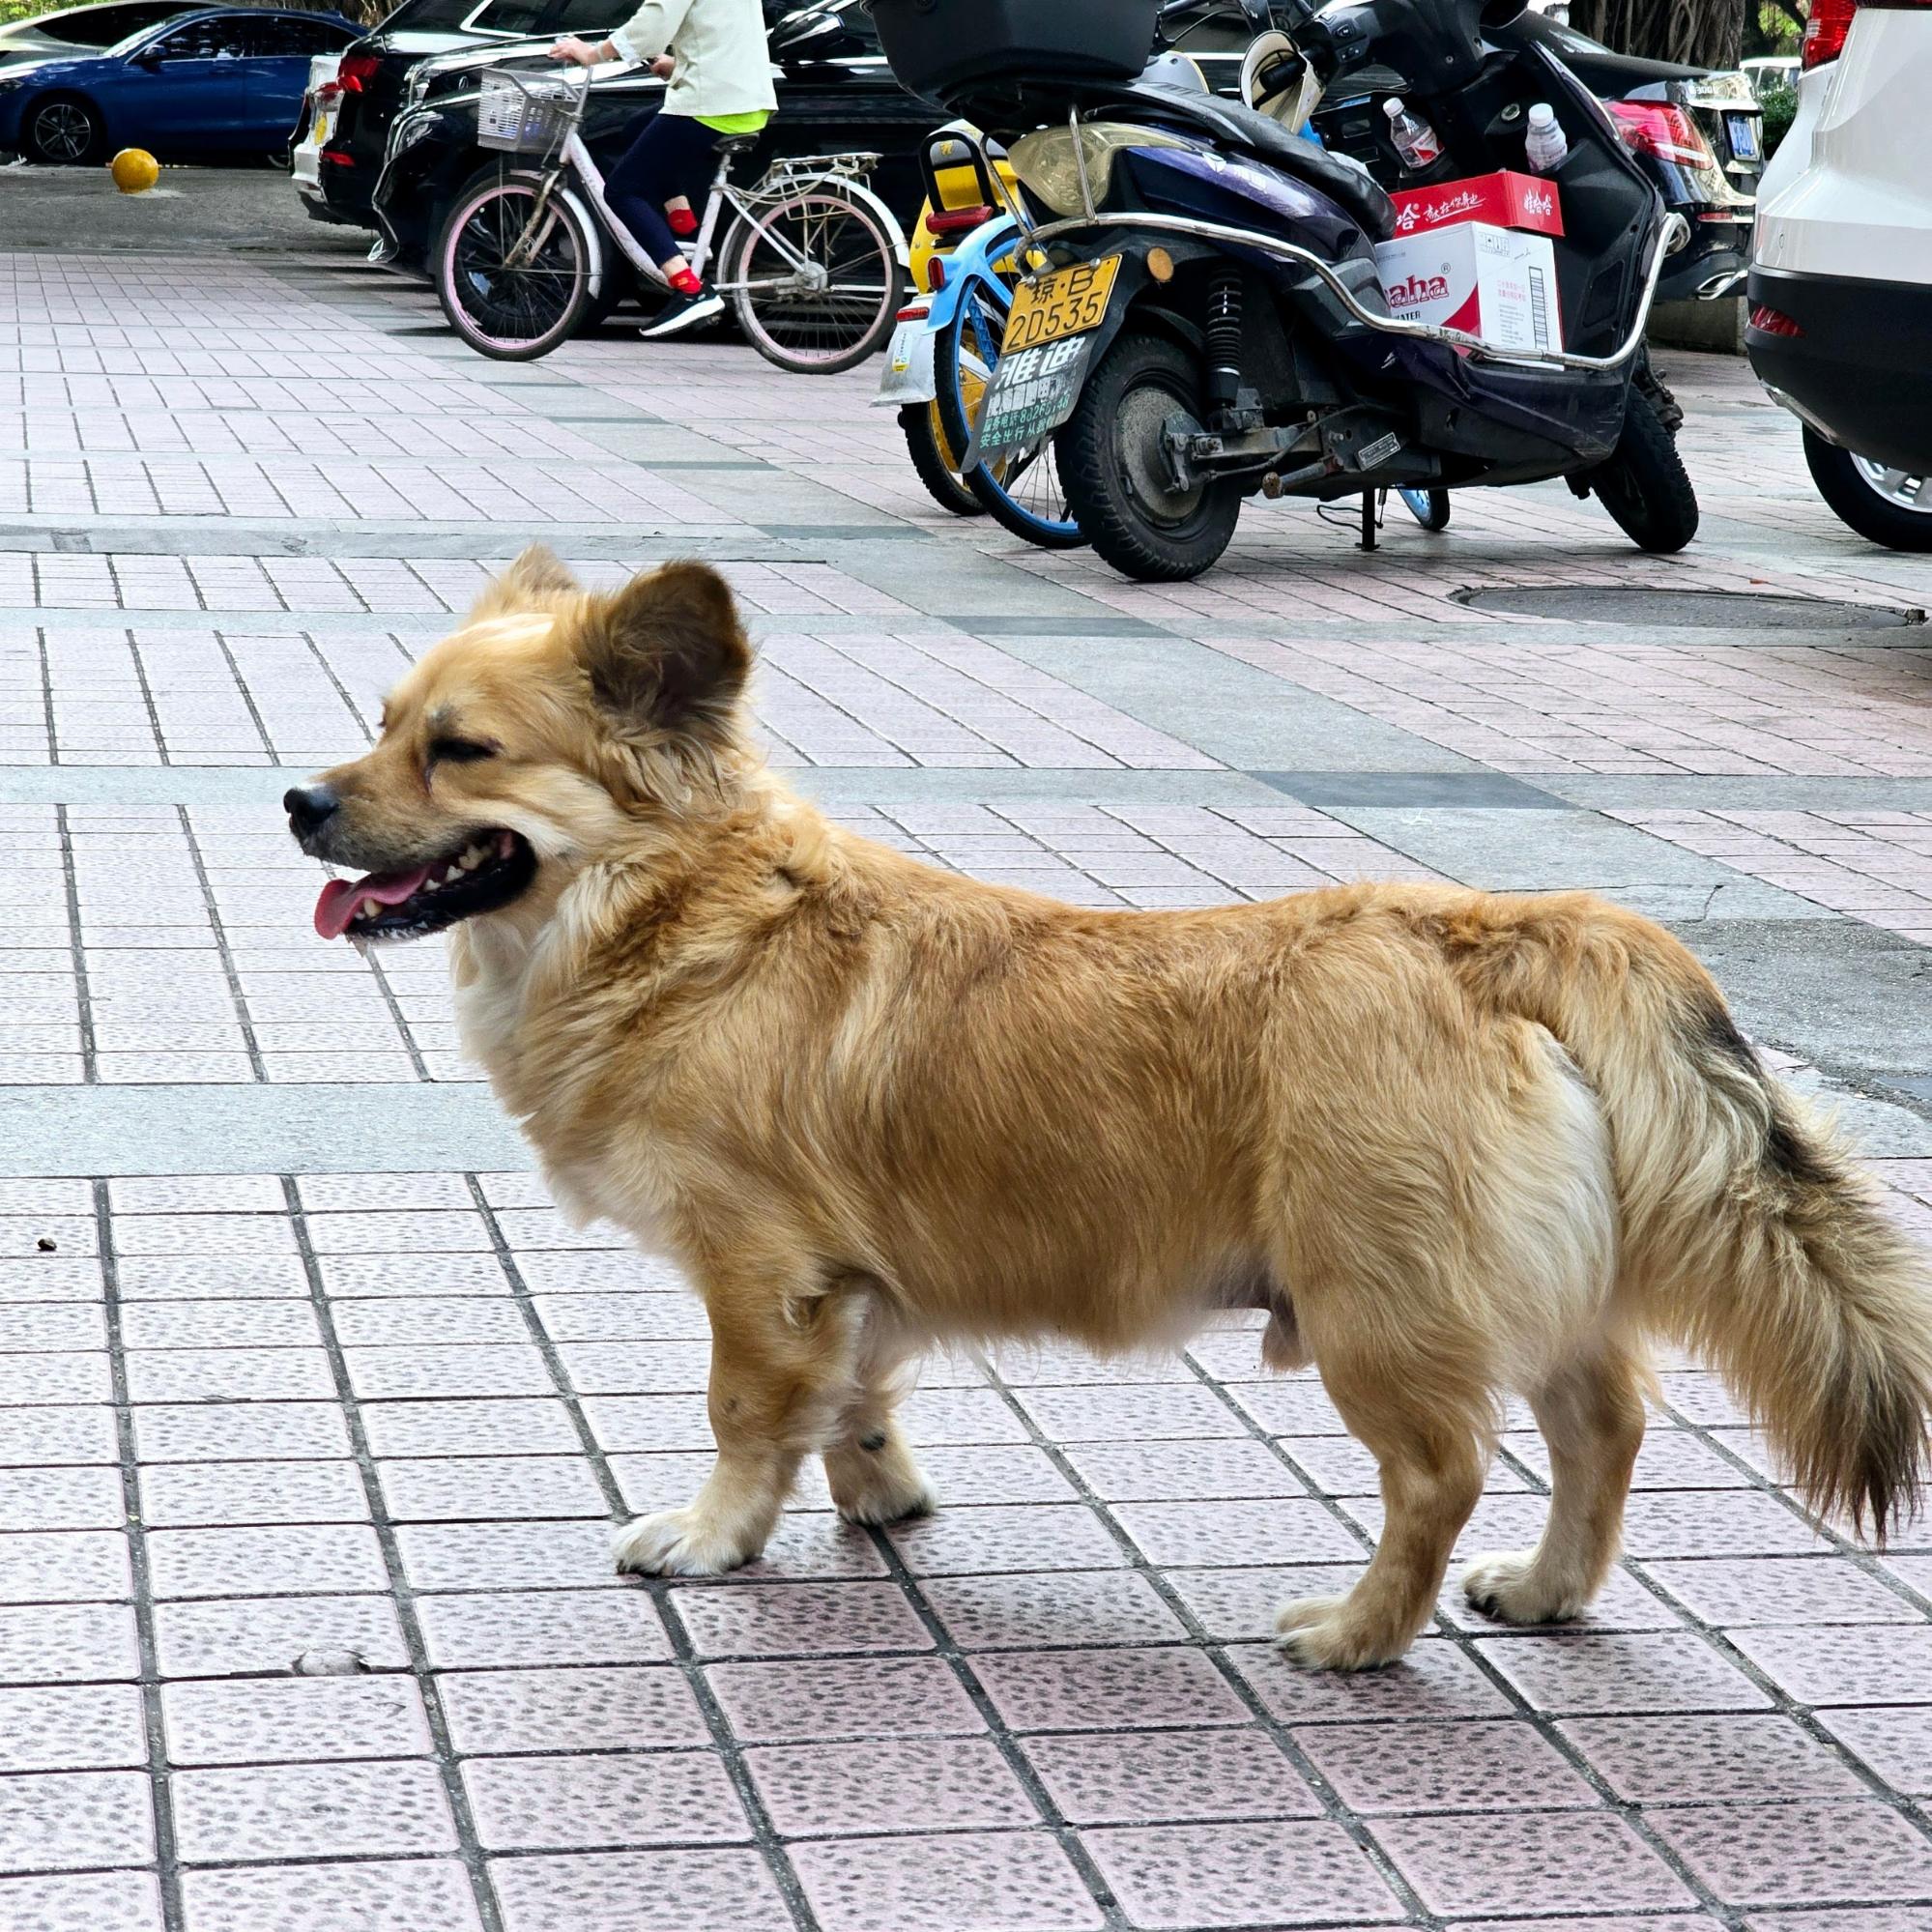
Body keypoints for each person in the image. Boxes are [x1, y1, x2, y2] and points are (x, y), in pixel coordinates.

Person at [550, 0, 777, 339]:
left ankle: (689, 289)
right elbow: (723, 32)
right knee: (637, 128)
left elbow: (652, 23)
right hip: (746, 99)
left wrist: (592, 53)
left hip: (711, 103)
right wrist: (679, 63)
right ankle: (680, 216)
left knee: (622, 190)